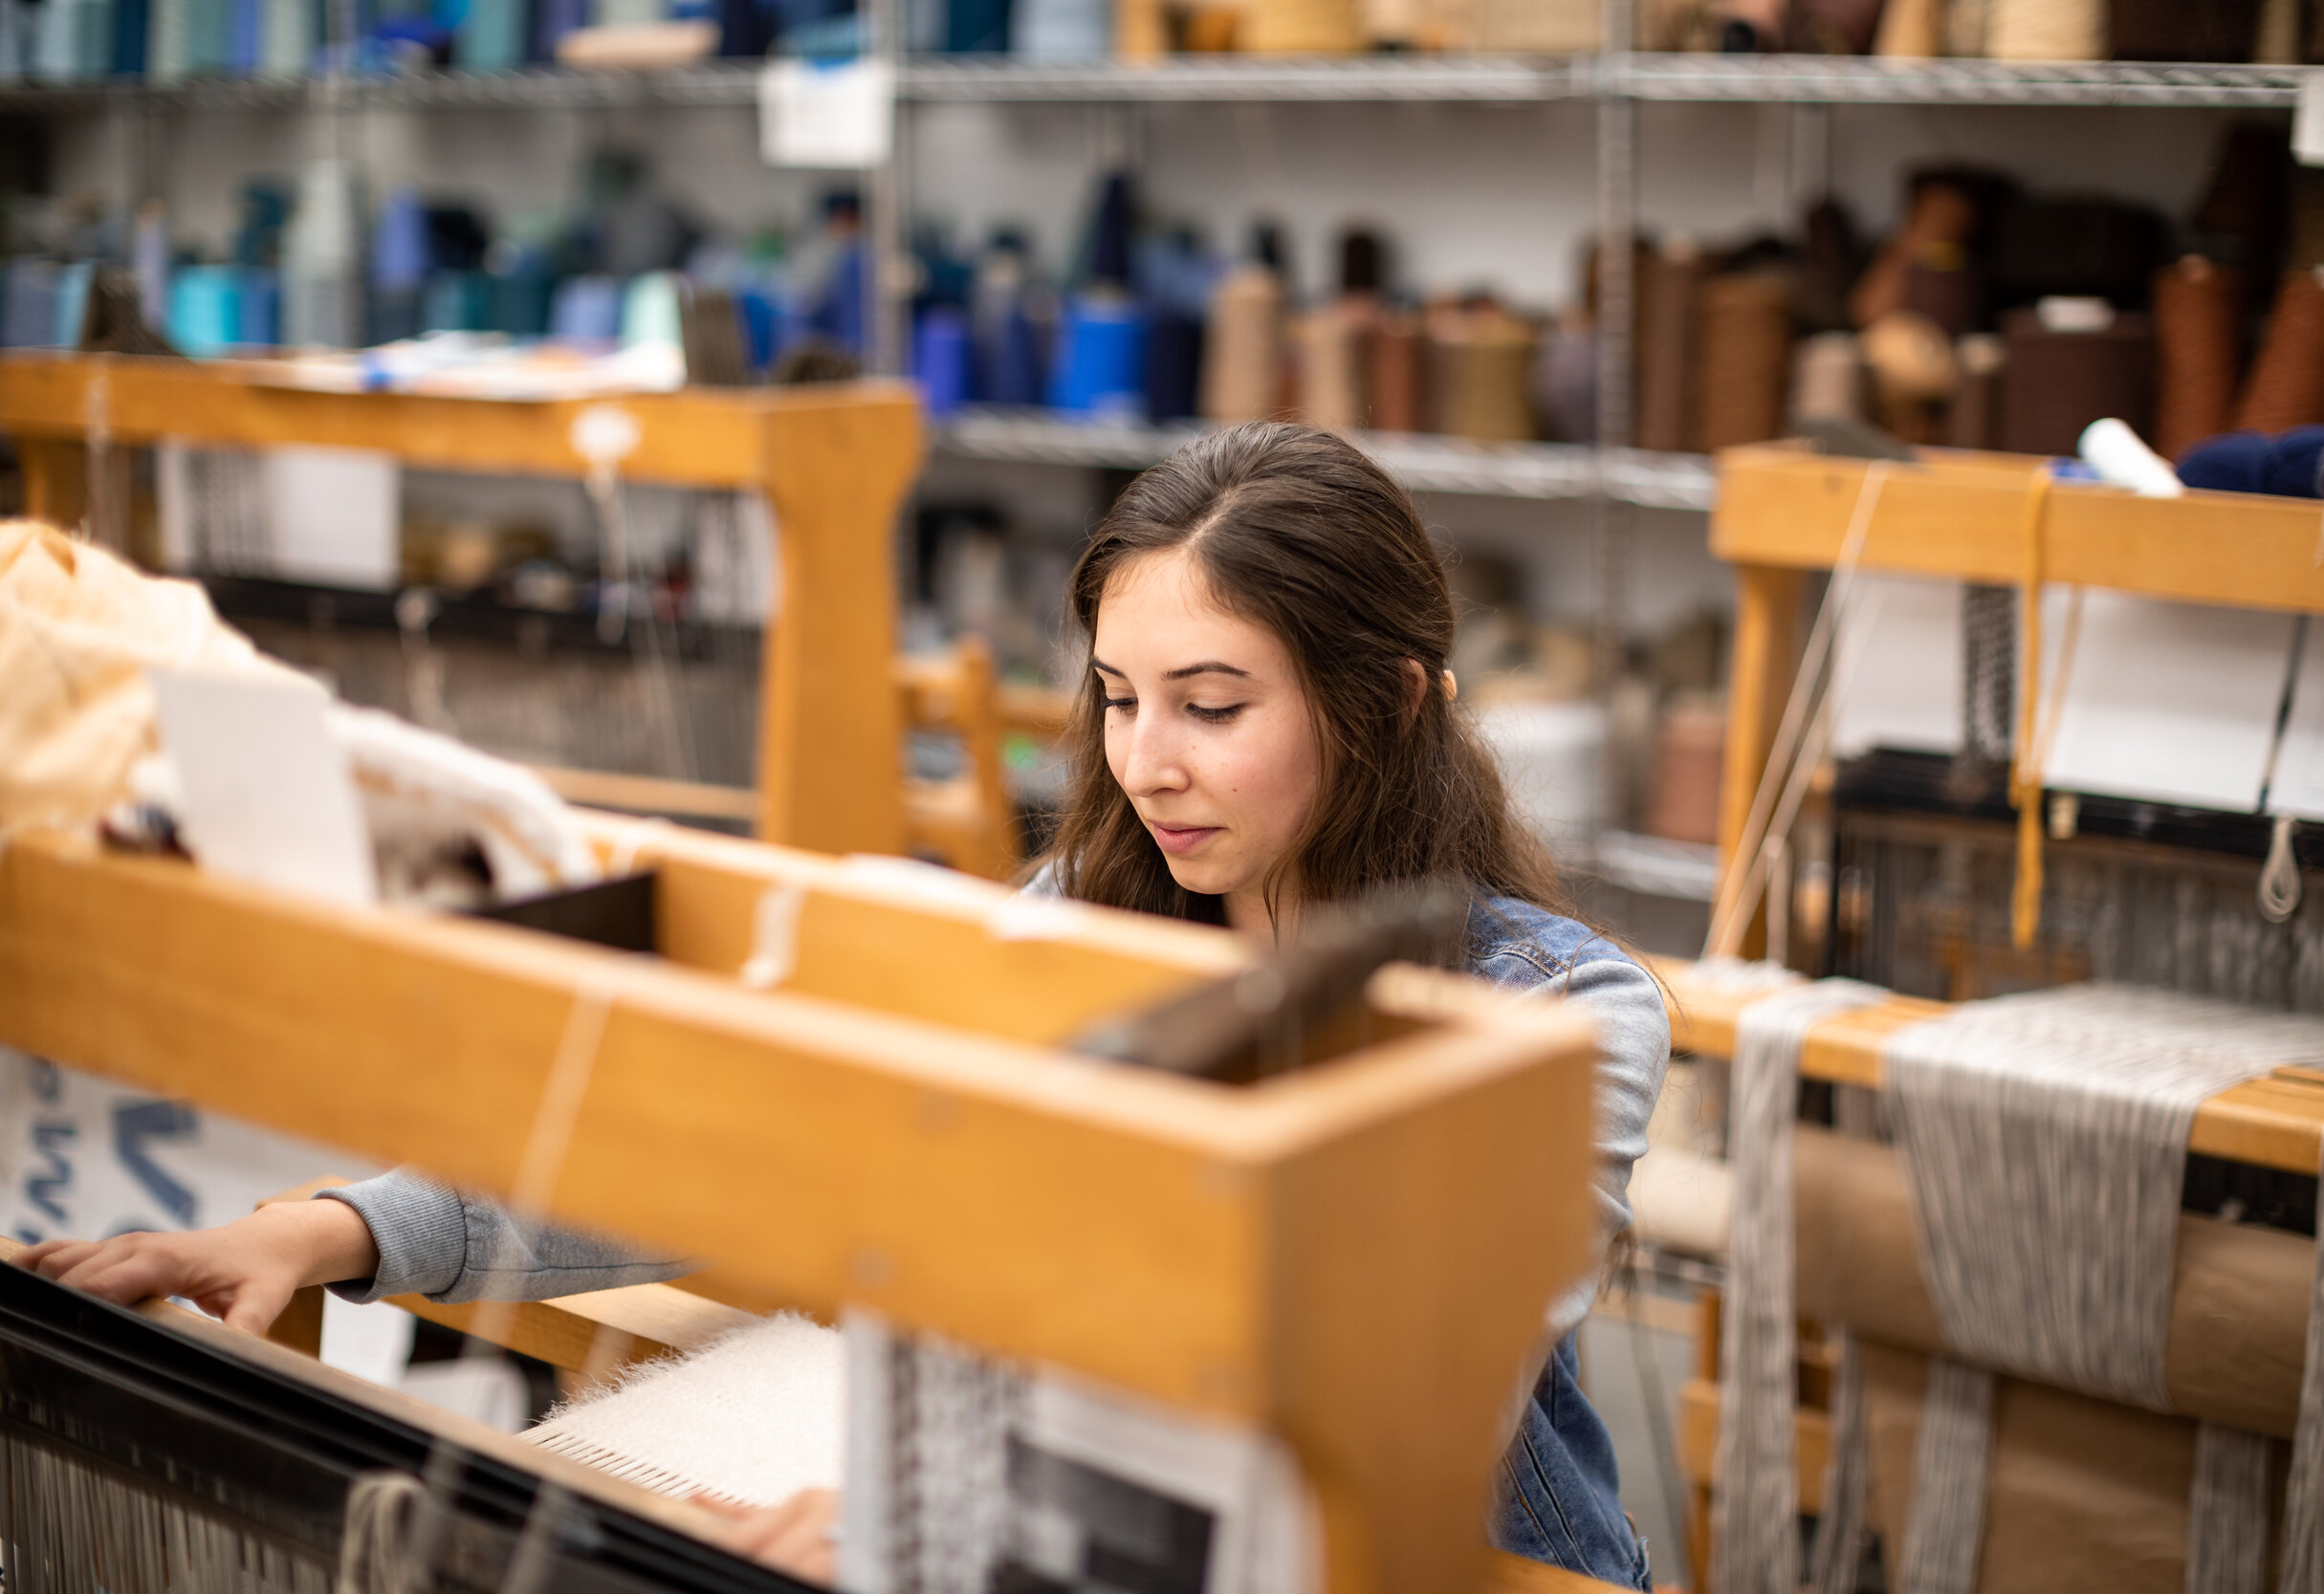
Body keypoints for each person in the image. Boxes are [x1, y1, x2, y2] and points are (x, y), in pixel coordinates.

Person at [19, 421, 1670, 1589]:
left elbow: (1350, 1360)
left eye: (1214, 704)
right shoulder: (1069, 934)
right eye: (1115, 700)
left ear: (1390, 705)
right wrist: (331, 1232)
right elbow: (742, 1139)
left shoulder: (1560, 1015)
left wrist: (951, 1518)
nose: (1145, 761)